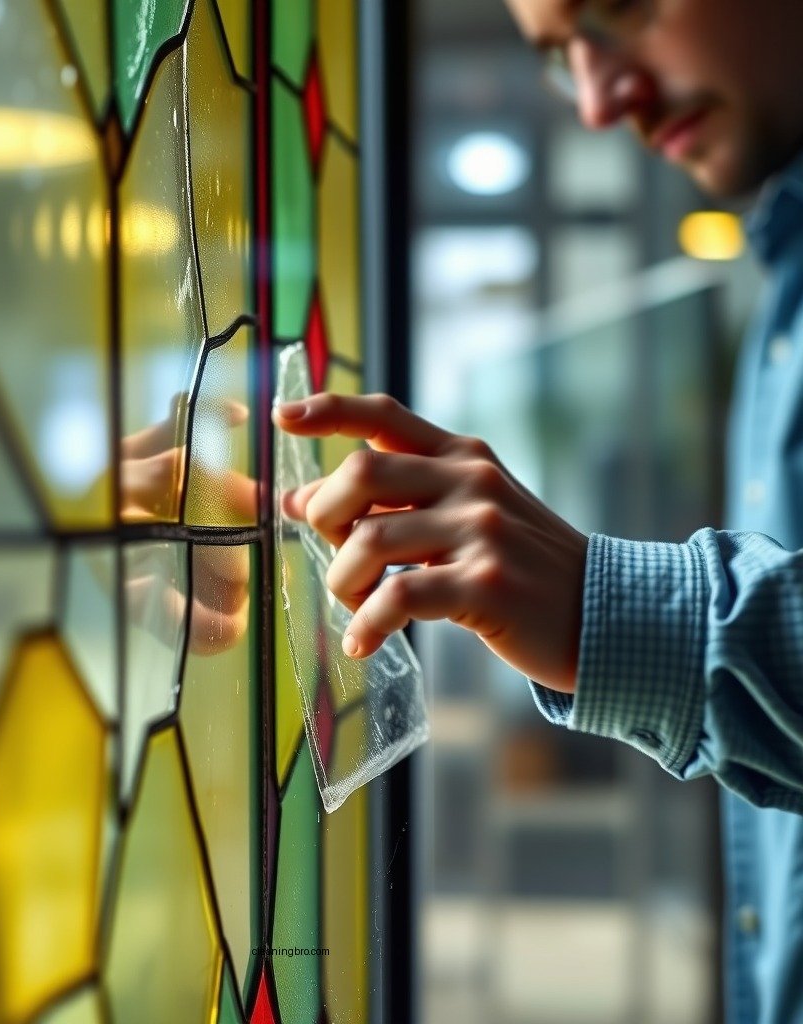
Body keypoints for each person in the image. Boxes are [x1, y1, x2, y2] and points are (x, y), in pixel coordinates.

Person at [273, 1, 803, 1021]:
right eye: (562, 57)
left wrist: (616, 608)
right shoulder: (781, 280)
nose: (601, 101)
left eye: (621, 9)